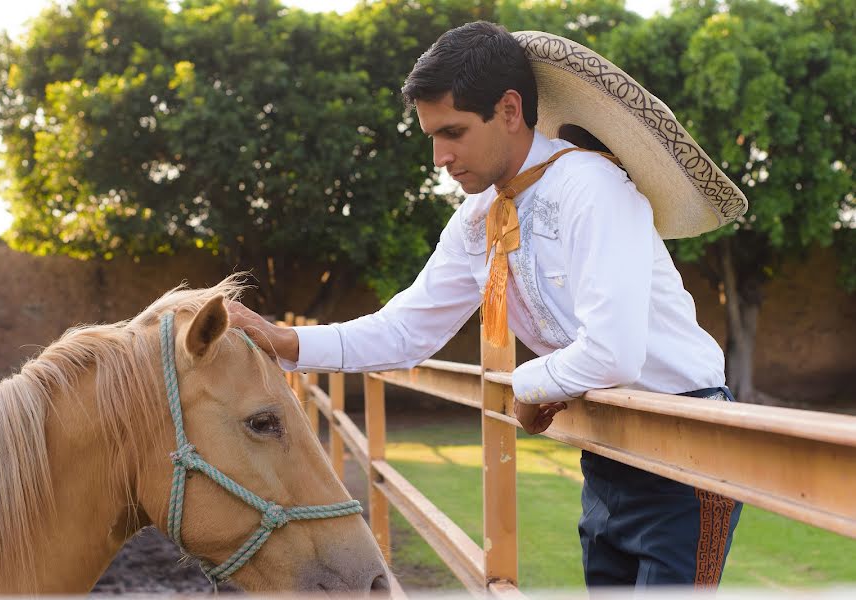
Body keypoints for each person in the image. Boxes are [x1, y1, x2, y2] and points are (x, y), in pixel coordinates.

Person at [228, 21, 748, 587]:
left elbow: (613, 353)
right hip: (605, 451)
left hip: (686, 449)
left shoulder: (593, 189)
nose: (439, 157)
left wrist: (527, 386)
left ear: (508, 109)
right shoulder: (478, 219)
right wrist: (287, 343)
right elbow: (406, 330)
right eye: (431, 135)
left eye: (452, 131)